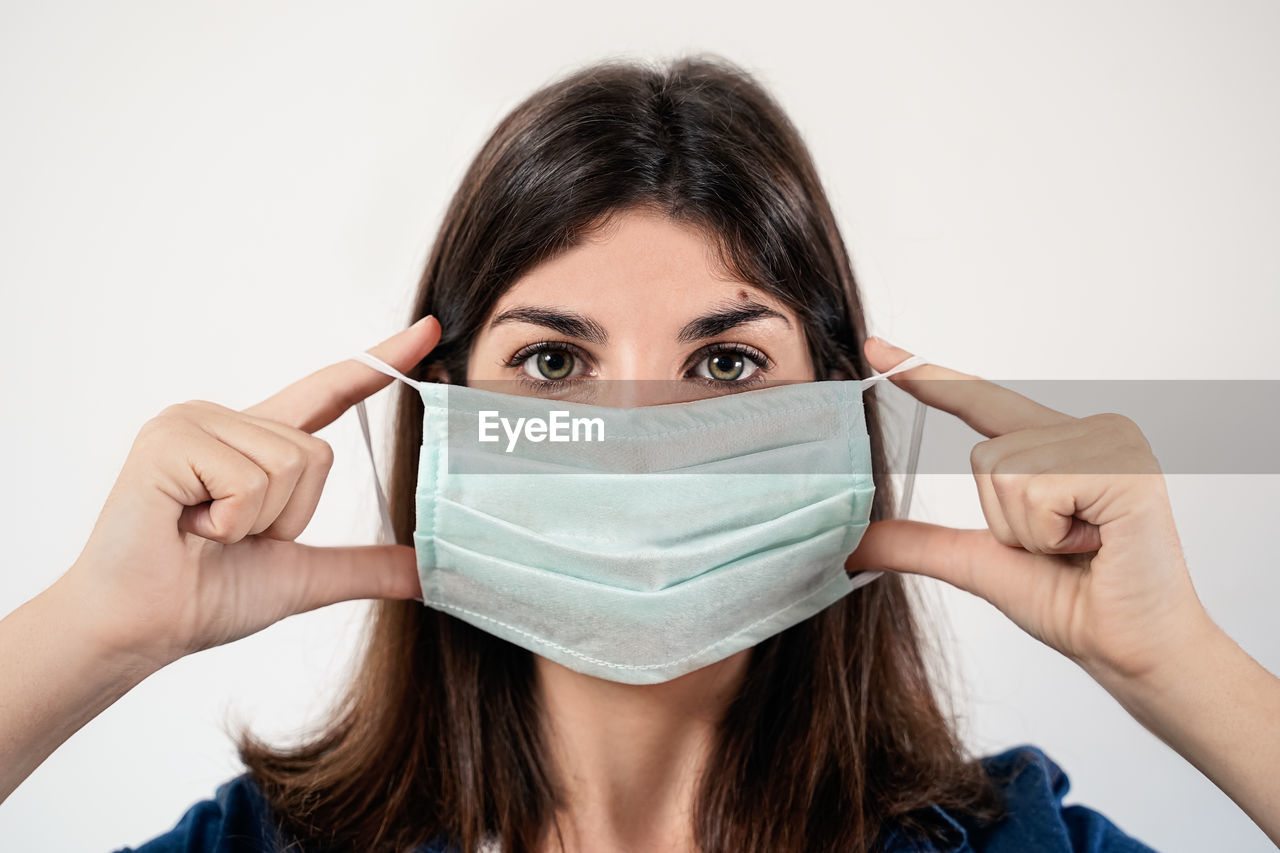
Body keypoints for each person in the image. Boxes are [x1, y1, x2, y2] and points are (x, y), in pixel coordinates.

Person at [2, 54, 1277, 853]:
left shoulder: (1023, 844)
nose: (637, 446)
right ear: (441, 416)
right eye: (551, 364)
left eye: (725, 365)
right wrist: (96, 627)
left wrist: (1174, 661)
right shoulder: (264, 848)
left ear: (838, 412)